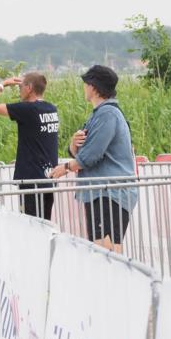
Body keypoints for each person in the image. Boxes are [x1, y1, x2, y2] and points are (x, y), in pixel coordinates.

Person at [50, 65, 138, 253]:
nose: (84, 88)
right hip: (104, 191)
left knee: (107, 250)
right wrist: (74, 145)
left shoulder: (107, 114)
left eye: (86, 84)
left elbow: (91, 156)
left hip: (109, 192)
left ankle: (111, 281)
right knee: (105, 247)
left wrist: (65, 167)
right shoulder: (103, 114)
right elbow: (85, 153)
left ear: (94, 87)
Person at [0, 72, 59, 219]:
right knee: (45, 225)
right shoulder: (51, 109)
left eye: (20, 86)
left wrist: (2, 85)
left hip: (31, 180)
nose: (19, 90)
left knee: (31, 227)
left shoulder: (27, 109)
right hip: (49, 178)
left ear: (29, 88)